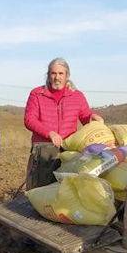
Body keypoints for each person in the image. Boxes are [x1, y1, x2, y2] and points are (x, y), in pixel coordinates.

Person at [23, 57, 104, 189]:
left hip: (69, 151)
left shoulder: (77, 95)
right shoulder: (37, 94)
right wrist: (49, 133)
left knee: (66, 190)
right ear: (48, 75)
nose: (57, 77)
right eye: (53, 73)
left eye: (61, 73)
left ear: (67, 75)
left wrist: (93, 116)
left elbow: (85, 115)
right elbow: (29, 119)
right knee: (40, 189)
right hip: (44, 151)